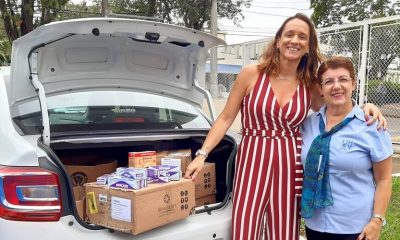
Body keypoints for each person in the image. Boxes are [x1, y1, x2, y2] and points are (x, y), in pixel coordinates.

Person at [184, 13, 385, 240]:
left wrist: (365, 107)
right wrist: (202, 154)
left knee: (283, 231)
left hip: (290, 165)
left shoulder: (309, 83)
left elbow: (336, 105)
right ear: (278, 40)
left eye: (302, 37)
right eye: (289, 35)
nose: (294, 40)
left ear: (308, 47)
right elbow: (225, 118)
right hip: (252, 161)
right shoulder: (251, 74)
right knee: (245, 229)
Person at [301, 56, 392, 240]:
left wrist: (377, 221)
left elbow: (384, 179)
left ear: (353, 84)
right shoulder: (308, 124)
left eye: (343, 79)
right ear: (320, 88)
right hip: (315, 224)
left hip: (355, 229)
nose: (336, 86)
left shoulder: (372, 126)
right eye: (328, 81)